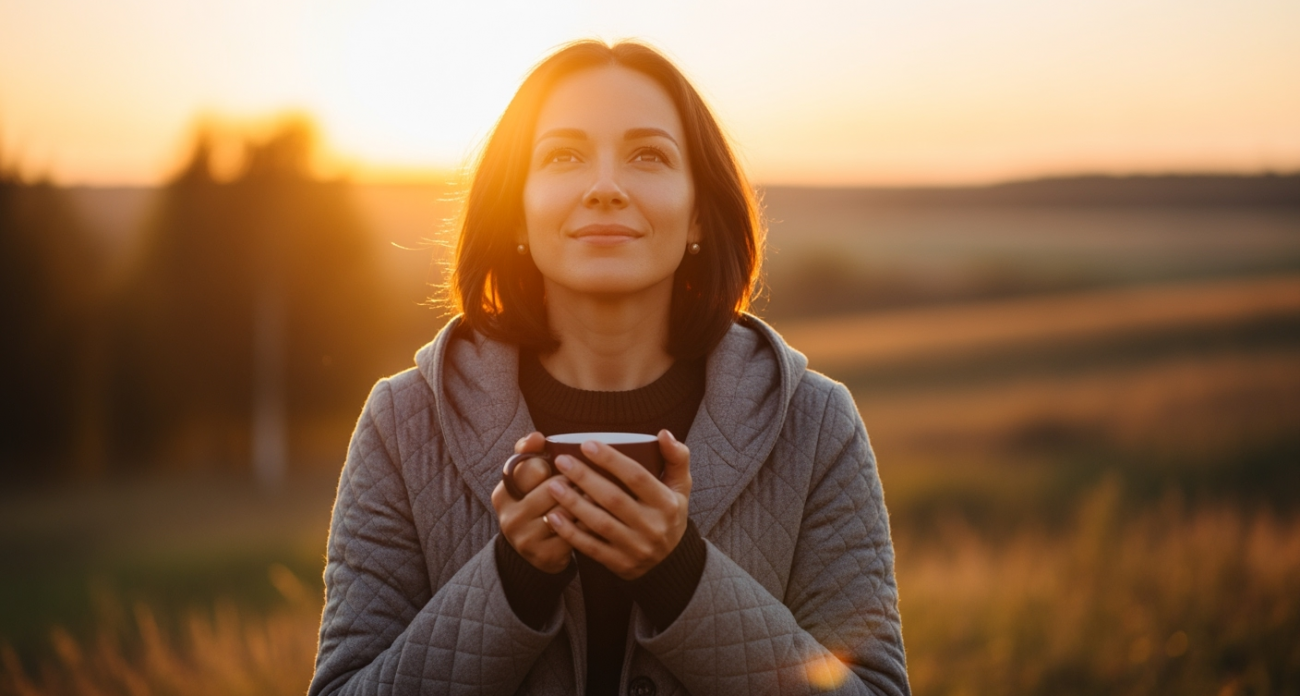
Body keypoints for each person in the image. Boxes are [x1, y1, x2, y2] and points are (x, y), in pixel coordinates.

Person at [309, 40, 909, 696]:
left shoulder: (814, 425)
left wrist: (681, 578)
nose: (604, 188)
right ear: (515, 206)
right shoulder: (404, 424)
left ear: (699, 211)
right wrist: (512, 582)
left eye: (648, 155)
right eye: (564, 156)